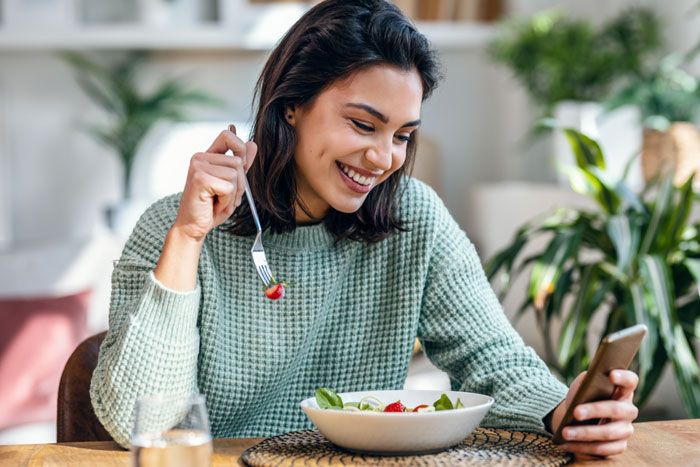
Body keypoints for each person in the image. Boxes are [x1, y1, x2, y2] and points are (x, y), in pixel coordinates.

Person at [91, 0, 639, 457]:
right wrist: (187, 240)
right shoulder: (174, 227)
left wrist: (562, 410)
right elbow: (142, 423)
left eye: (403, 135)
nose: (383, 157)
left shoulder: (414, 218)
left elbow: (492, 358)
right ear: (292, 107)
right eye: (362, 124)